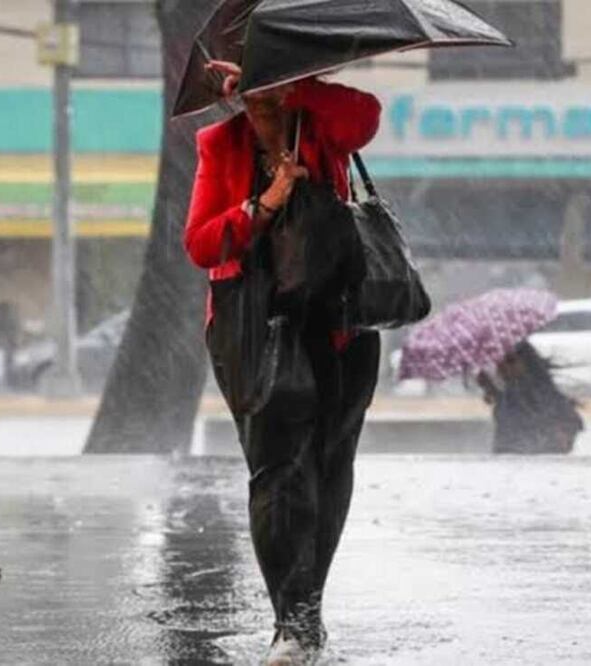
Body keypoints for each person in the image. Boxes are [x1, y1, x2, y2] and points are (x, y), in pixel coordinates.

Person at [184, 60, 381, 664]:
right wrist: (264, 204)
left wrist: (296, 86)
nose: (259, 105)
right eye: (249, 94)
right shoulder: (221, 144)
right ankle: (291, 622)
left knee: (328, 467)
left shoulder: (322, 125)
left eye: (266, 89)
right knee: (276, 473)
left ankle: (306, 610)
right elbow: (199, 243)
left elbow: (367, 115)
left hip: (339, 324)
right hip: (253, 328)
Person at [476, 341, 584, 454]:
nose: (503, 367)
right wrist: (491, 389)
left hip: (530, 458)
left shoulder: (539, 391)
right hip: (508, 457)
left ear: (527, 362)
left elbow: (522, 414)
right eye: (498, 362)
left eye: (510, 361)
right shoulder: (512, 390)